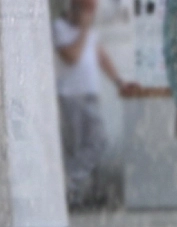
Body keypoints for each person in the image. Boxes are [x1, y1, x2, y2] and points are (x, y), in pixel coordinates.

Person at [53, 0, 138, 208]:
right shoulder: (60, 27)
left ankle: (71, 186)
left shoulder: (88, 31)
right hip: (72, 95)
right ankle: (69, 184)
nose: (90, 15)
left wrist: (119, 81)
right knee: (90, 143)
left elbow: (100, 56)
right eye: (87, 10)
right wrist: (83, 29)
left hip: (89, 95)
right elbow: (72, 57)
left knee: (94, 143)